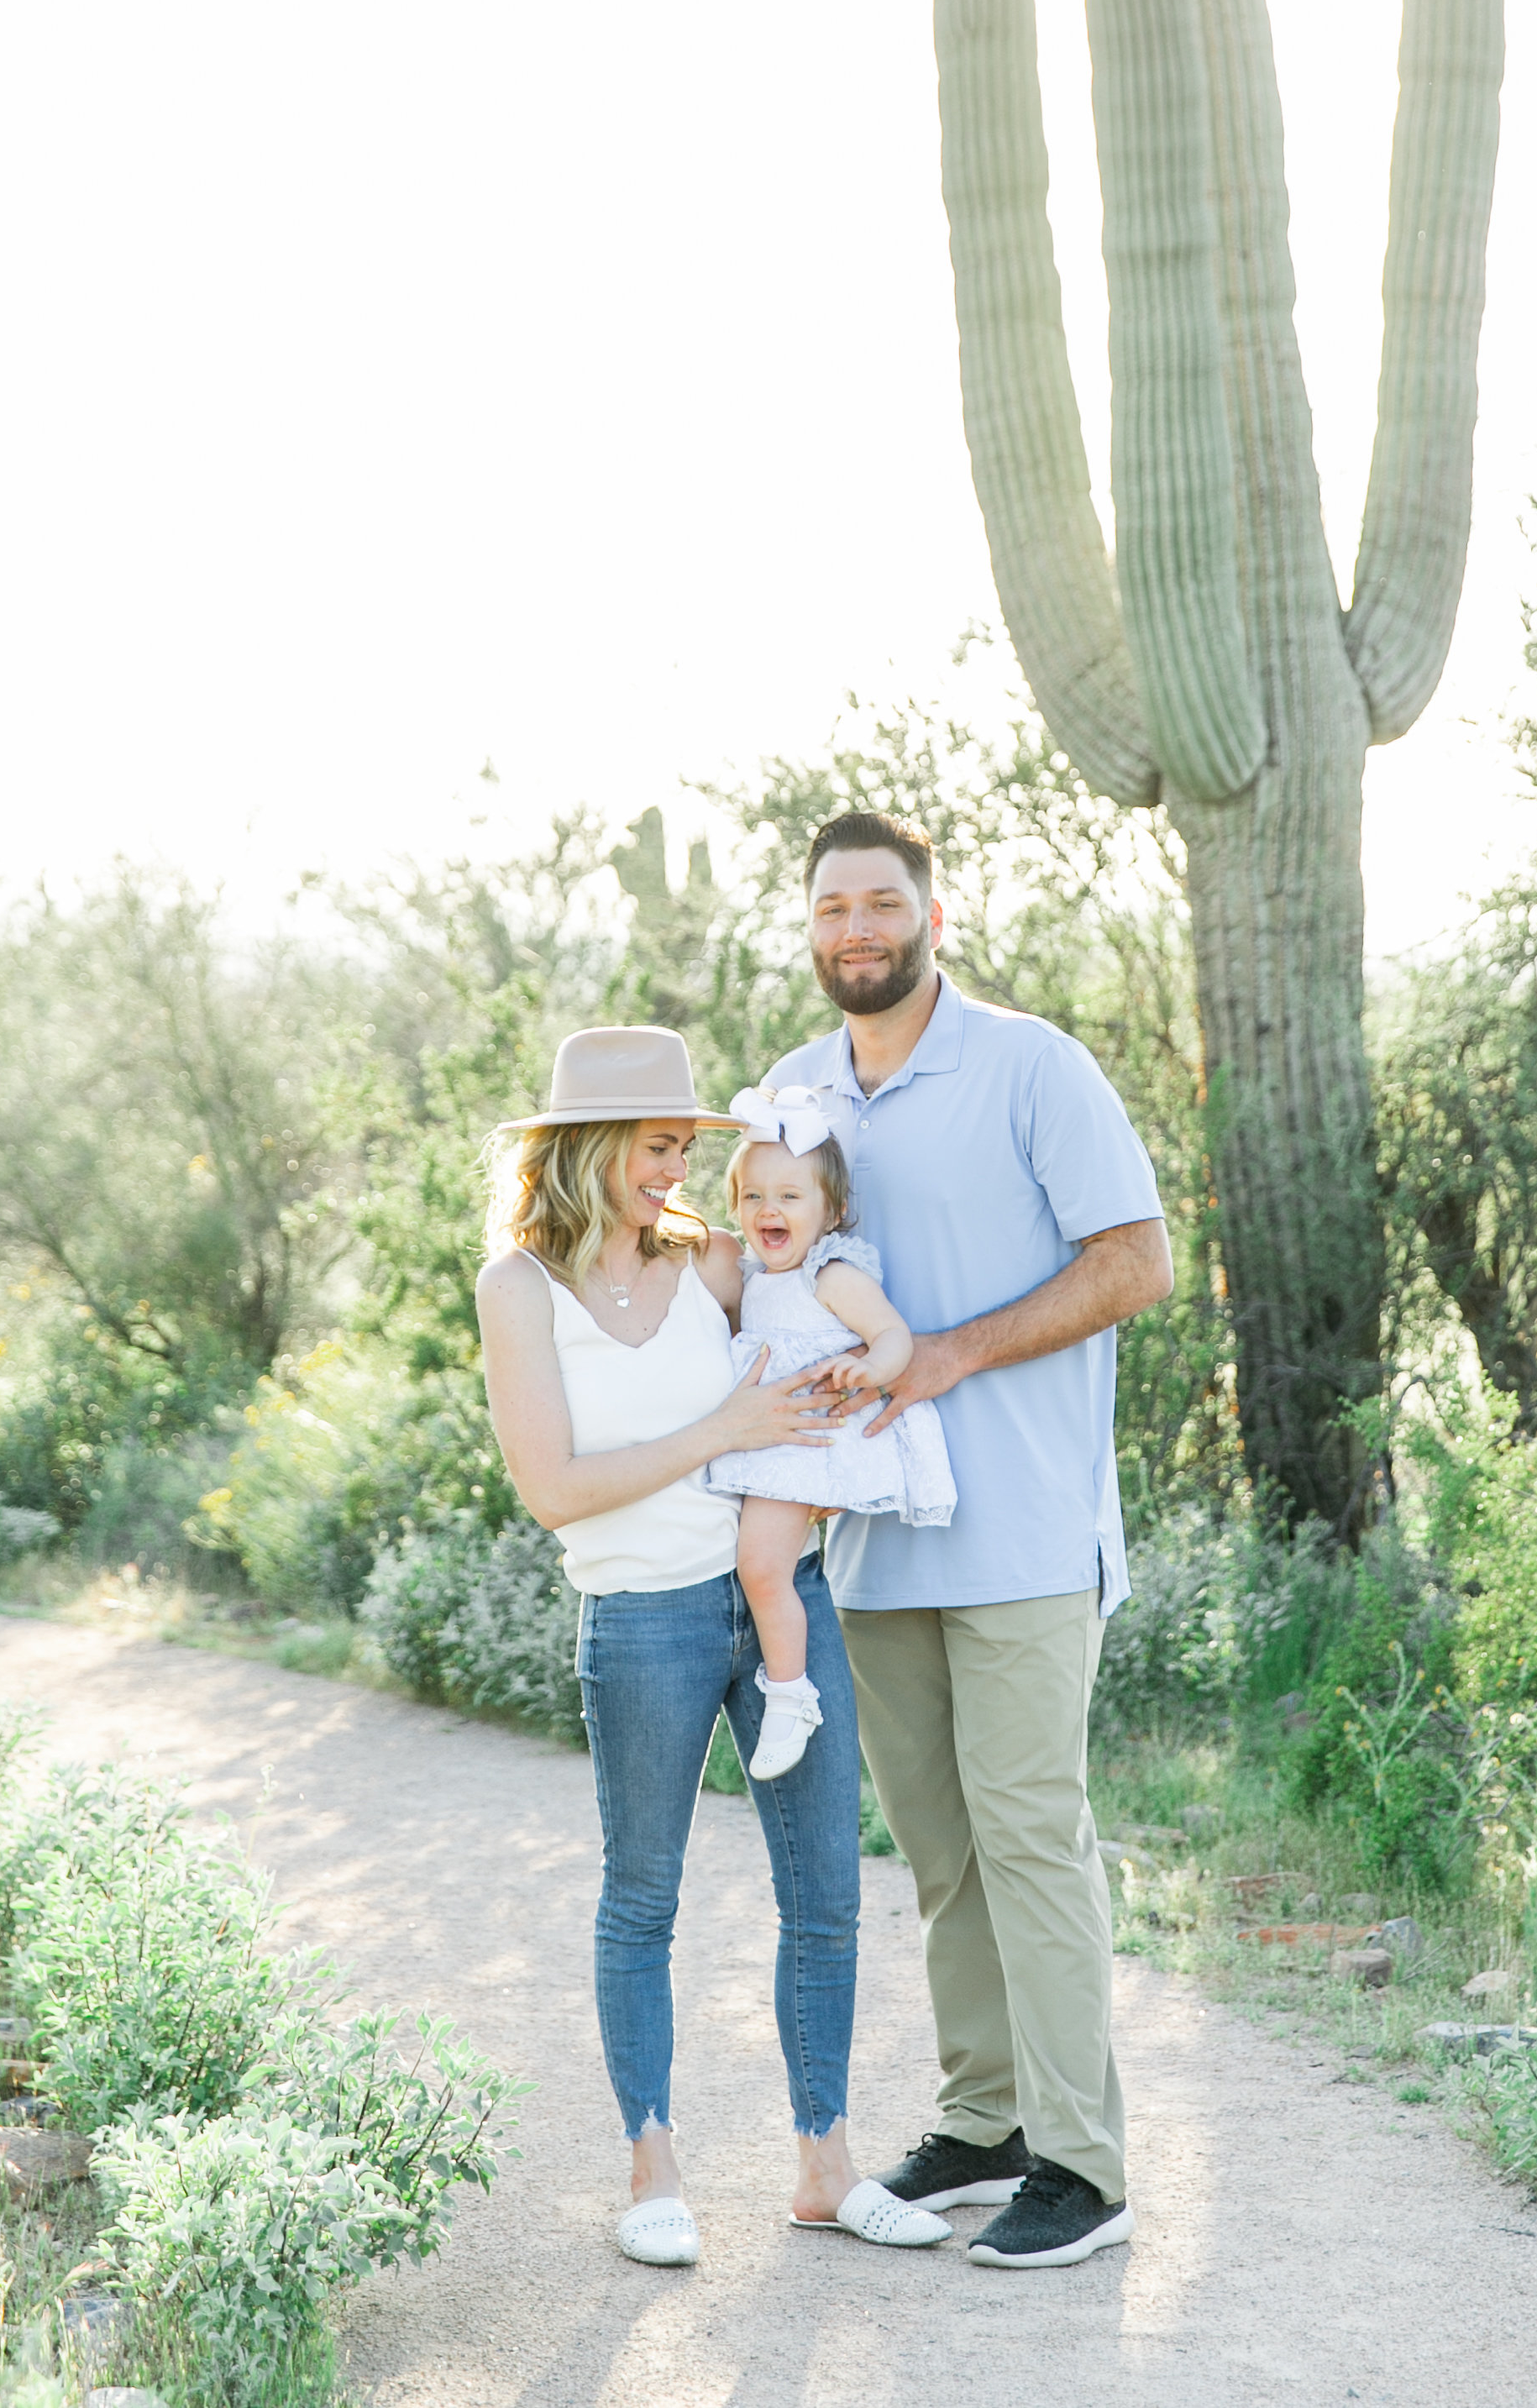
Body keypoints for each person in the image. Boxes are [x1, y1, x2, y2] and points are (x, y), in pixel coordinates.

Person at [759, 813, 1174, 2271]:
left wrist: (946, 1353)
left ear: (932, 911)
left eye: (881, 902)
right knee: (941, 1854)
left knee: (1030, 1841)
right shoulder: (799, 1092)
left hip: (1022, 1530)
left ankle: (1084, 2159)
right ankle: (985, 2116)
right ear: (808, 927)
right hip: (876, 1546)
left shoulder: (1030, 1064)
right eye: (832, 907)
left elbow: (1137, 1259)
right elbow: (764, 1263)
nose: (856, 928)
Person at [475, 1021, 952, 2269]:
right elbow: (555, 1487)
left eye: (687, 1147)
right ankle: (652, 2168)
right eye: (655, 1146)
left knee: (829, 1895)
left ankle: (825, 2166)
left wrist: (850, 1418)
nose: (674, 1171)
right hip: (642, 1619)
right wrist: (725, 1425)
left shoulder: (713, 1259)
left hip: (781, 1598)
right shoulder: (518, 1286)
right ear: (585, 1145)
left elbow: (817, 1304)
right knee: (643, 1897)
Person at [702, 1084, 955, 1782]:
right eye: (752, 1197)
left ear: (832, 1212)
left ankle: (790, 1693)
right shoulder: (754, 1275)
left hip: (805, 1442)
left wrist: (867, 1366)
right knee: (760, 1565)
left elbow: (894, 1337)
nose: (768, 1211)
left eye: (788, 1197)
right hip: (769, 1440)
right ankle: (783, 1683)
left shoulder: (830, 1273)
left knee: (762, 1566)